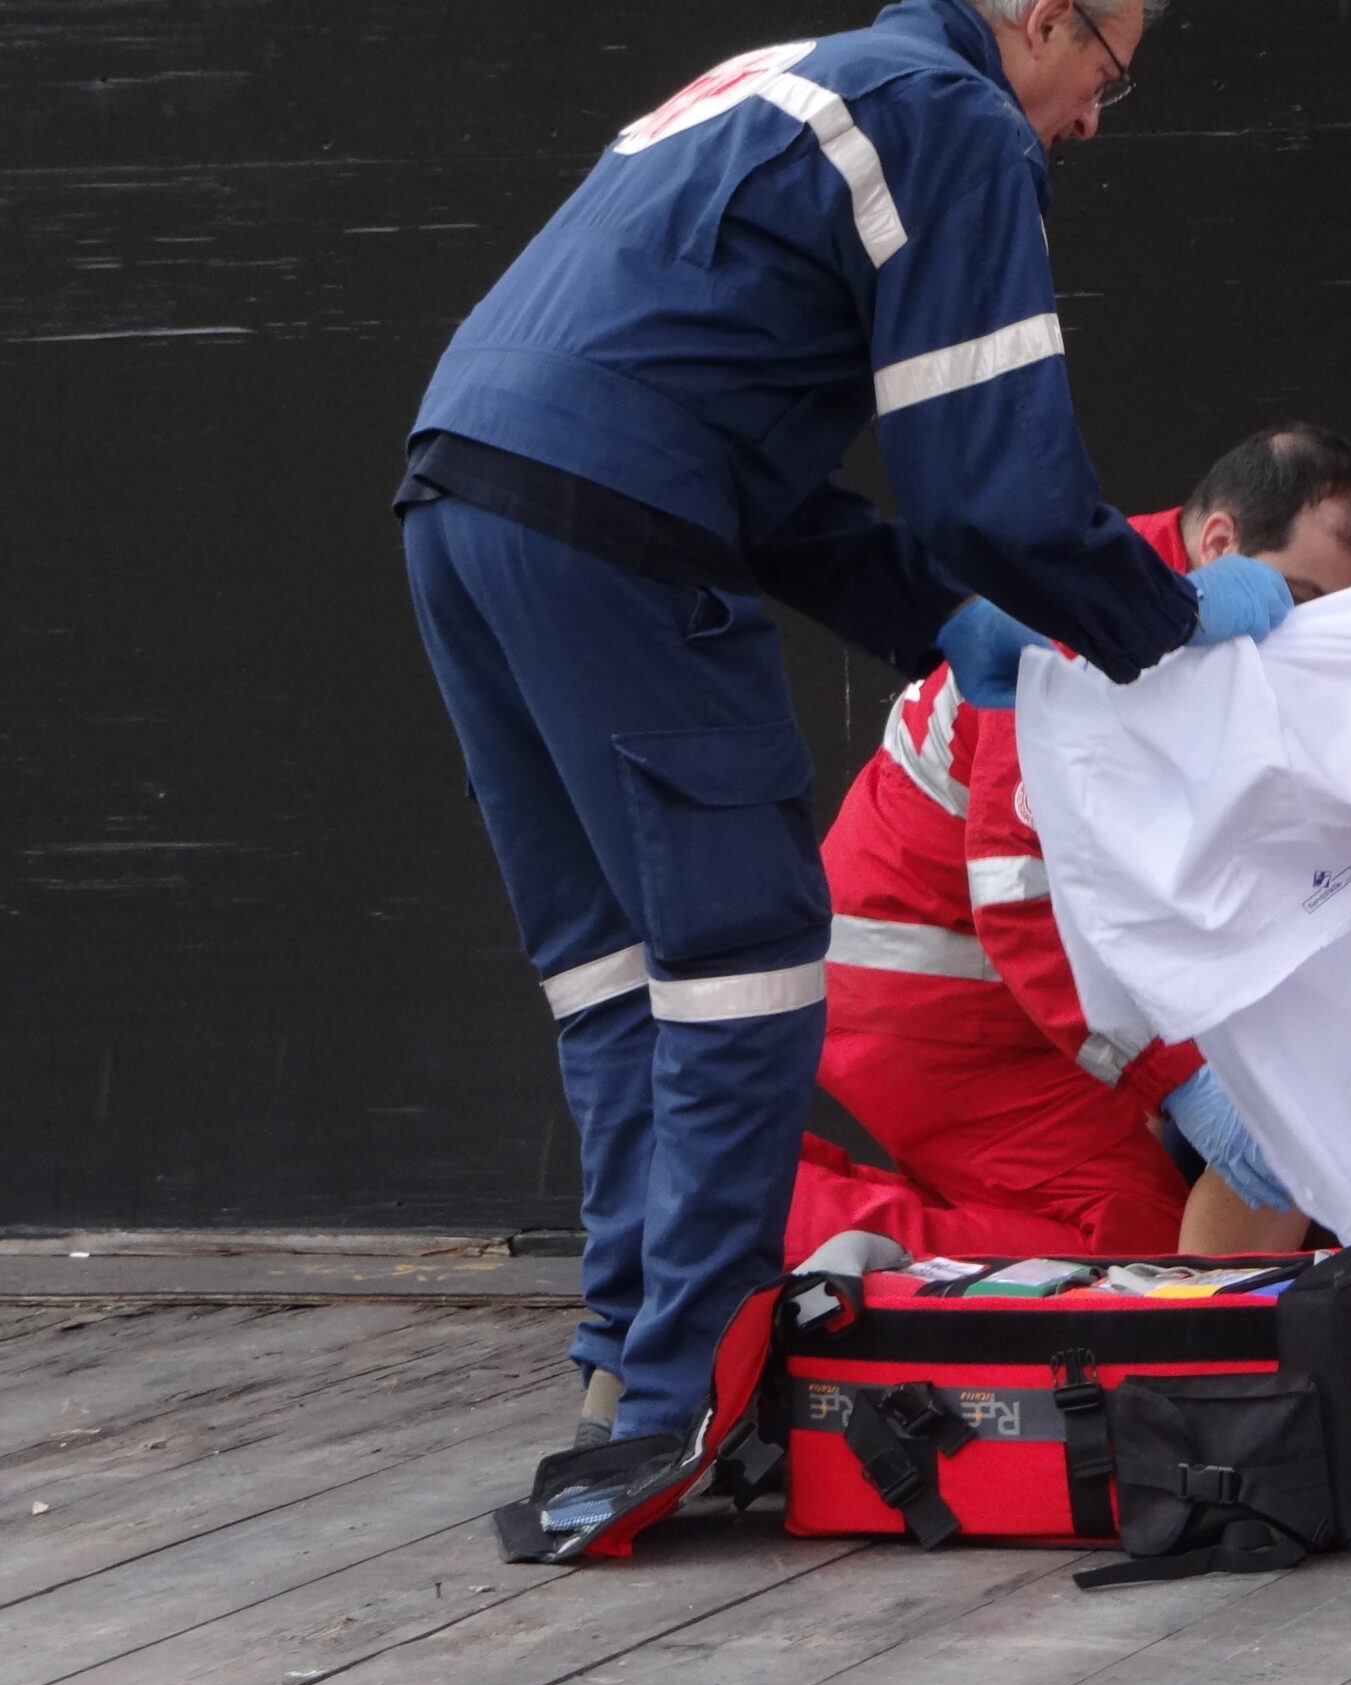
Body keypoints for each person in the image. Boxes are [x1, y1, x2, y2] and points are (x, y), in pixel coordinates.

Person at [396, 0, 1299, 1468]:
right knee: (740, 971)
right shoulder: (954, 116)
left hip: (460, 496)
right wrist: (1169, 620)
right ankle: (683, 1399)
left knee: (616, 975)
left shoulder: (788, 73)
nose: (1081, 124)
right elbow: (990, 488)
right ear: (1041, 18)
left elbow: (718, 431)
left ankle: (624, 1361)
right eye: (1104, 82)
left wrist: (935, 617)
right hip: (621, 528)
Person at [790, 424, 1351, 1270]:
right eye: (1295, 596)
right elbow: (1020, 905)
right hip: (933, 997)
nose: (1302, 633)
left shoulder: (1174, 612)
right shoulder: (1077, 624)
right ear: (1219, 542)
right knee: (1129, 1246)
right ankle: (753, 1226)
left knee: (1146, 1204)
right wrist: (1176, 1078)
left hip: (985, 996)